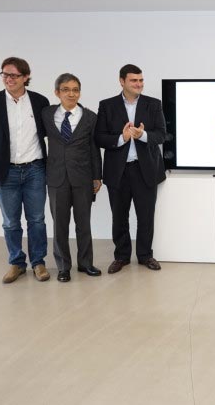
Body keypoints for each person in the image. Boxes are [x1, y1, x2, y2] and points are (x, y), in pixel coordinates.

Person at [0, 57, 50, 283]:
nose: (9, 79)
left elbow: (50, 134)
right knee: (10, 222)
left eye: (14, 75)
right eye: (5, 74)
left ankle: (38, 262)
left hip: (35, 169)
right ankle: (16, 263)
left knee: (37, 219)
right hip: (4, 171)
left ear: (26, 77)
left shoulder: (40, 101)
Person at [95, 64, 166, 274]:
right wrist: (122, 138)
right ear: (122, 81)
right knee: (119, 217)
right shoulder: (107, 105)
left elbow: (162, 135)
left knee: (146, 216)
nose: (139, 84)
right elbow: (99, 137)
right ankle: (121, 256)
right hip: (118, 171)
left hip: (146, 170)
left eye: (141, 80)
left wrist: (142, 135)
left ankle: (145, 255)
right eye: (134, 80)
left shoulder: (154, 104)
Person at [42, 73, 103, 282]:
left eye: (75, 90)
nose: (71, 94)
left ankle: (86, 263)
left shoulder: (90, 117)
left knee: (83, 223)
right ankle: (63, 267)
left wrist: (97, 176)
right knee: (59, 225)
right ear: (57, 92)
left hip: (82, 177)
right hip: (56, 177)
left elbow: (94, 148)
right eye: (66, 90)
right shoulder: (47, 114)